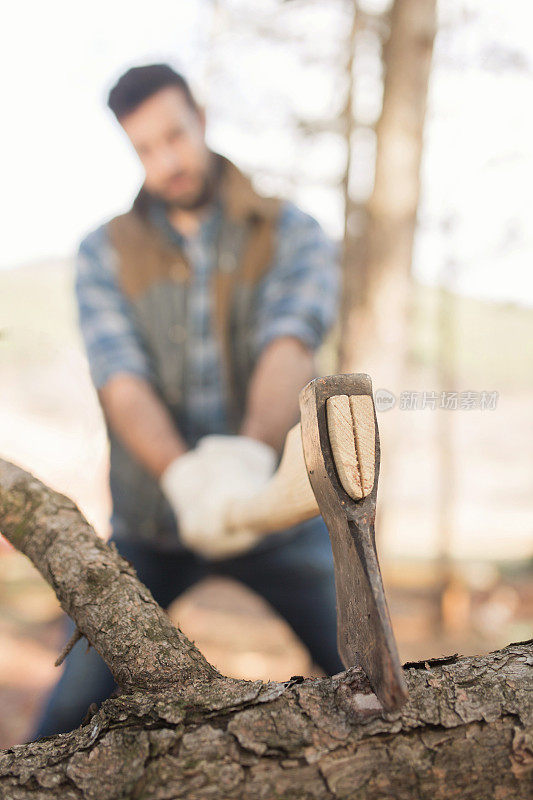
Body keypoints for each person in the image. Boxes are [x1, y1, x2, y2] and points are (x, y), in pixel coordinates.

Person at [33, 63, 342, 738]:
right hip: (152, 527)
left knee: (366, 682)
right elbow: (120, 377)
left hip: (276, 517)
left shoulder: (293, 232)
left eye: (174, 135)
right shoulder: (102, 253)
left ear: (200, 117)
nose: (166, 160)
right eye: (145, 149)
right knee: (63, 715)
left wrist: (245, 459)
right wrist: (181, 474)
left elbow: (290, 341)